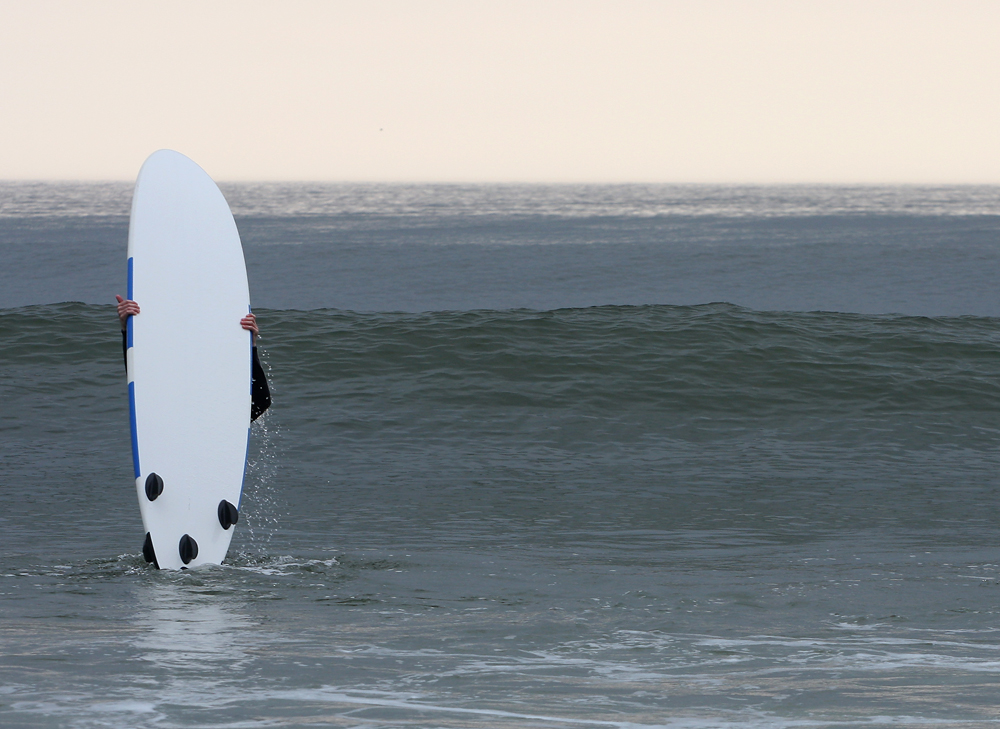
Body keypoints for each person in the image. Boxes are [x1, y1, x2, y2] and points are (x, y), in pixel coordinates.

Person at [116, 295, 271, 421]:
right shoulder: (162, 401)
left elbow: (261, 402)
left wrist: (249, 346)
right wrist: (129, 330)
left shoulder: (221, 411)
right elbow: (140, 384)